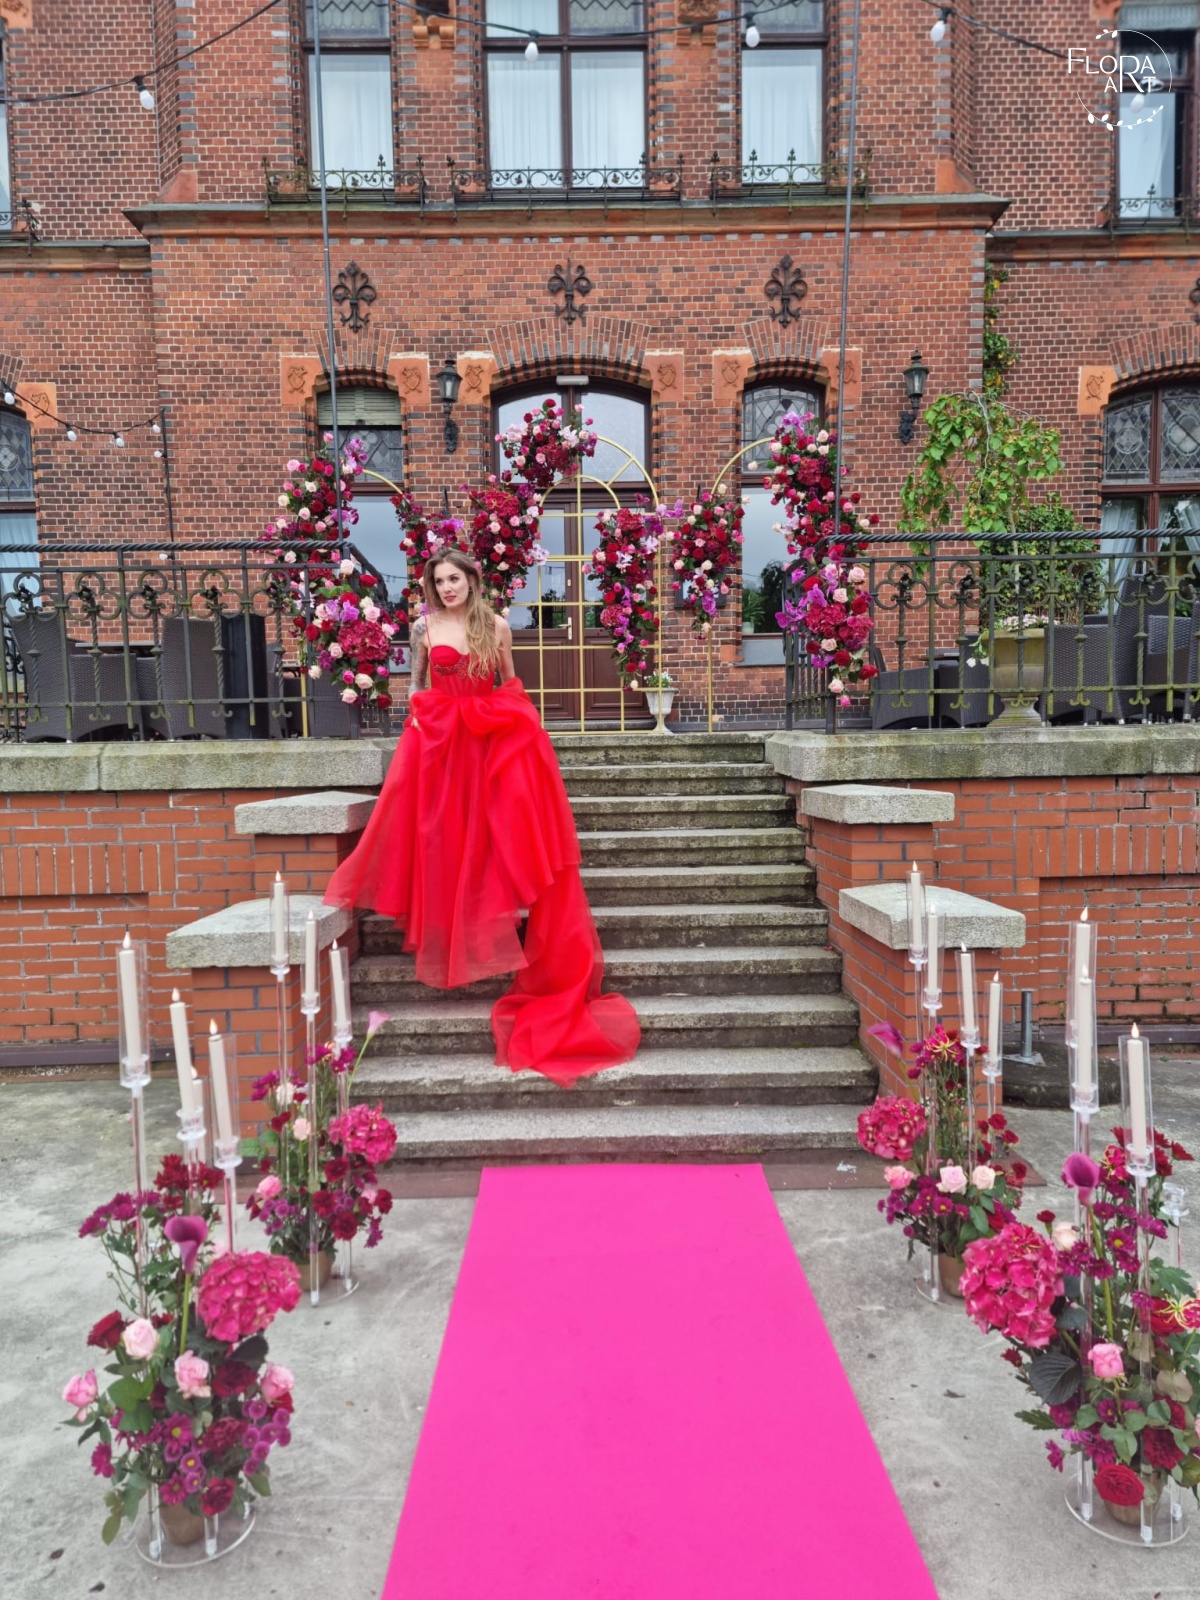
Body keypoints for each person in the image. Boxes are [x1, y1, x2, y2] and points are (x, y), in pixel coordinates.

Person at [323, 547, 641, 1088]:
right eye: (439, 580)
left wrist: (524, 729)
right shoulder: (424, 628)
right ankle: (449, 927)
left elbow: (510, 685)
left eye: (454, 578)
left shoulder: (497, 626)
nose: (447, 587)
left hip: (487, 742)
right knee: (441, 835)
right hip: (440, 745)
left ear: (472, 579)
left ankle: (496, 918)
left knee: (495, 833)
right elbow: (417, 685)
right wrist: (416, 721)